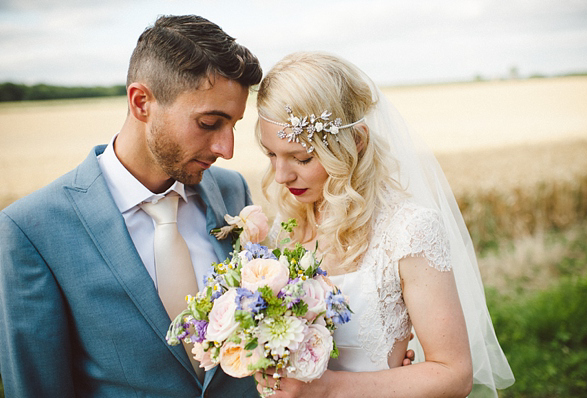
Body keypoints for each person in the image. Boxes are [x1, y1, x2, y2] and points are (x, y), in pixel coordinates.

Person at [0, 15, 262, 397]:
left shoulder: (232, 191)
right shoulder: (32, 229)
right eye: (209, 123)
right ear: (142, 102)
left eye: (233, 125)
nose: (227, 149)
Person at [253, 52, 515, 397]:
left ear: (356, 142)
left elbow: (454, 373)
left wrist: (328, 389)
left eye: (302, 158)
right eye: (271, 155)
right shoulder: (285, 227)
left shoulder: (409, 231)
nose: (282, 176)